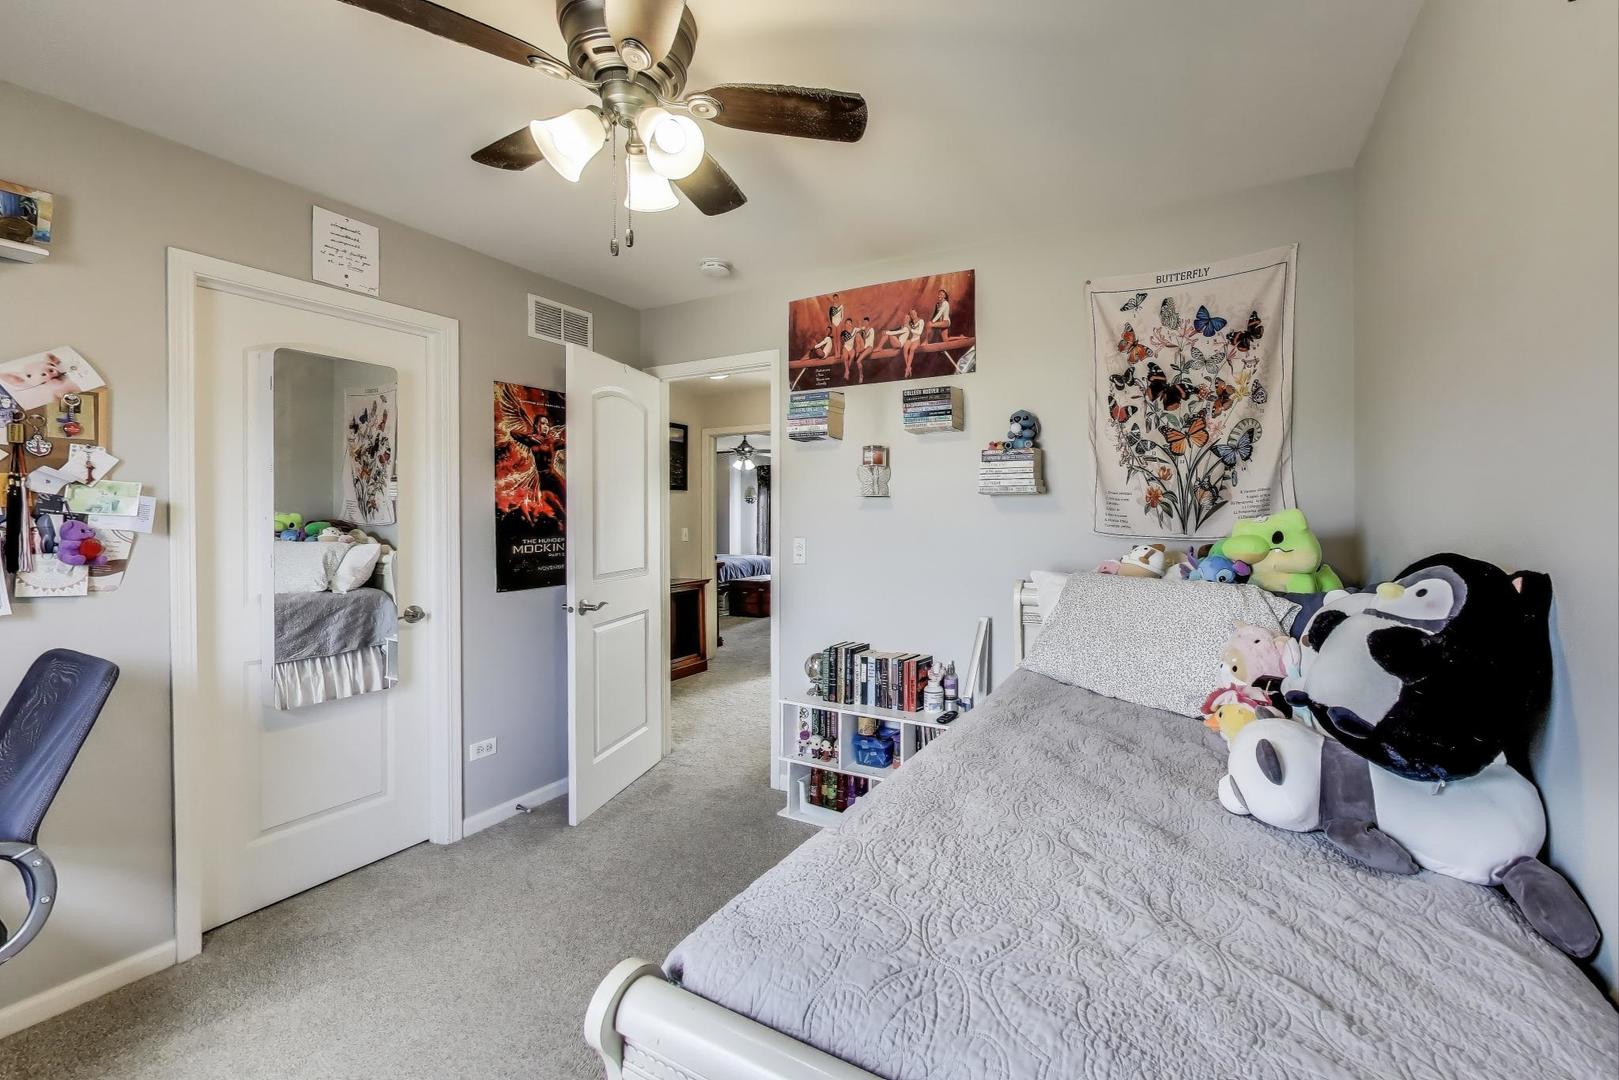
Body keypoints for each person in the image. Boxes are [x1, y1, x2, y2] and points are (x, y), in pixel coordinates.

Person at [901, 309, 926, 377]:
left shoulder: (921, 321)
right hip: (911, 339)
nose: (913, 315)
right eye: (911, 314)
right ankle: (908, 367)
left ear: (916, 313)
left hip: (917, 339)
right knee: (905, 348)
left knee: (912, 349)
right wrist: (905, 324)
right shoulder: (910, 322)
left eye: (914, 313)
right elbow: (905, 331)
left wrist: (910, 329)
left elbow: (919, 333)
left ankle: (907, 370)